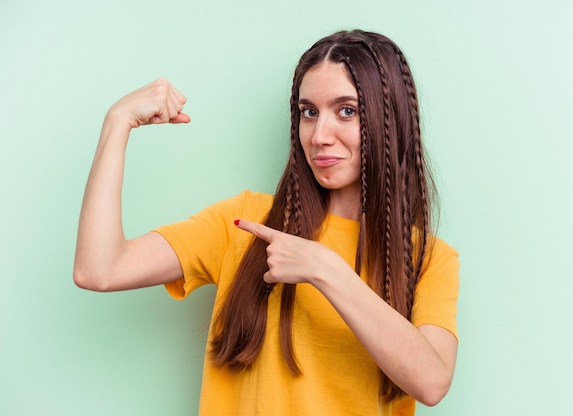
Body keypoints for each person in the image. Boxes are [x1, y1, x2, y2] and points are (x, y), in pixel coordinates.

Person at [74, 29, 460, 415]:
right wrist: (117, 123)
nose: (320, 135)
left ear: (387, 119)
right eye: (309, 112)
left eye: (347, 110)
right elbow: (99, 270)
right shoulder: (243, 223)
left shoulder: (428, 258)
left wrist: (326, 269)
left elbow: (431, 382)